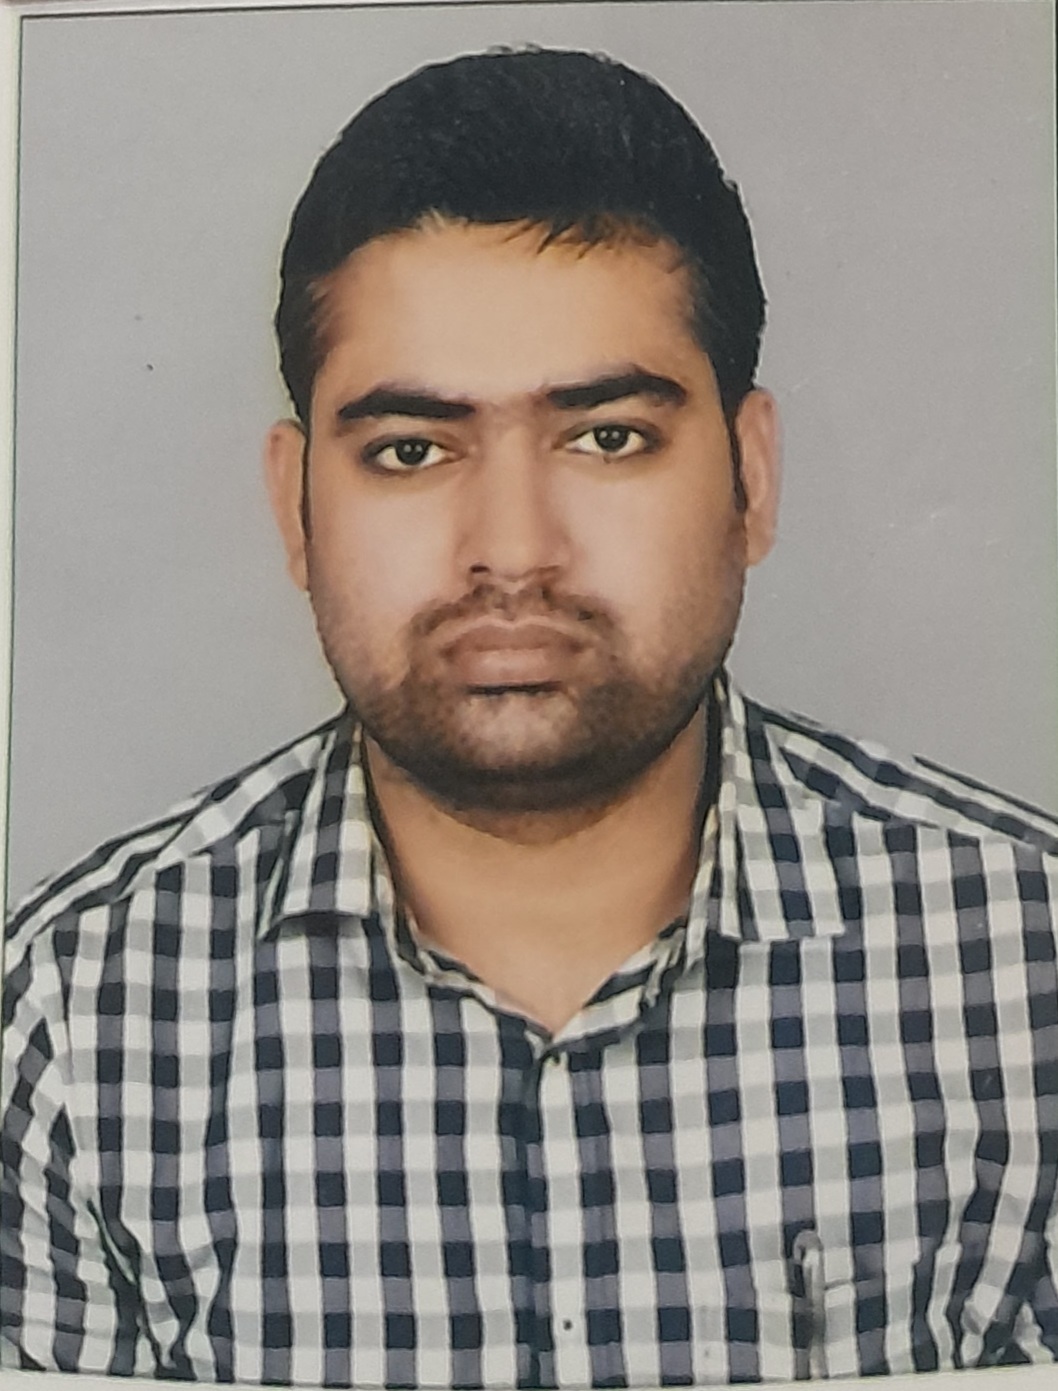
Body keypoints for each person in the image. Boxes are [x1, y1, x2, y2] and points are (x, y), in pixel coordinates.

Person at [2, 45, 1057, 1388]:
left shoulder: (1027, 973)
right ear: (295, 509)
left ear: (751, 477)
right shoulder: (71, 1032)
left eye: (605, 436)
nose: (511, 551)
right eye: (409, 450)